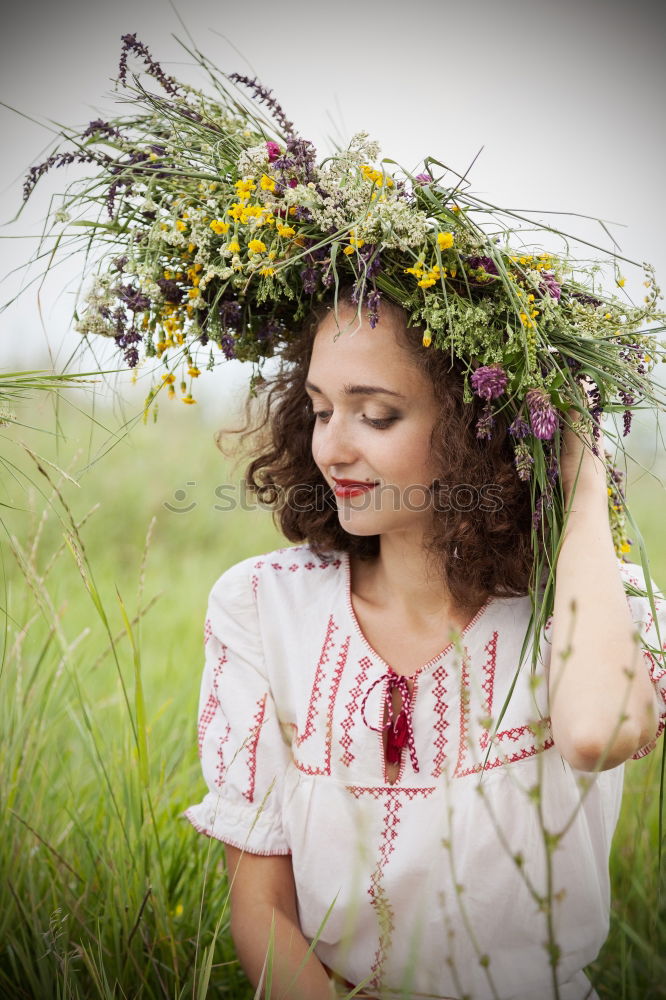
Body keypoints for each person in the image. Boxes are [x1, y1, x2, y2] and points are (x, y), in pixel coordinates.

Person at [185, 290, 666, 1000]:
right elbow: (263, 906)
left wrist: (581, 485)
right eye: (320, 410)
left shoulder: (597, 608)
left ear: (477, 428)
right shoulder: (262, 605)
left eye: (376, 414)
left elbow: (597, 736)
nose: (332, 447)